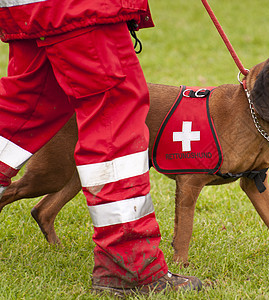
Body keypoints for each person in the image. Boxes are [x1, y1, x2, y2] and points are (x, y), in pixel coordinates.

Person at [0, 0, 201, 296]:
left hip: (33, 7)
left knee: (29, 105)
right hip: (77, 8)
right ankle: (129, 264)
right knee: (113, 112)